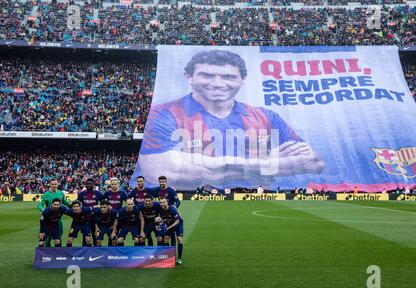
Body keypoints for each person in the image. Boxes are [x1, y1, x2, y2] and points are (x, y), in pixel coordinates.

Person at [135, 49, 324, 189]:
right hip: (197, 200)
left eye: (228, 76)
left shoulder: (266, 116)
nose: (218, 83)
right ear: (188, 77)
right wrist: (266, 163)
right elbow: (157, 170)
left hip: (254, 200)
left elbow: (313, 162)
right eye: (207, 75)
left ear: (243, 79)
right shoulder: (164, 114)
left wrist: (203, 165)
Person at [38, 179, 72, 247]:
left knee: (59, 235)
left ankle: (58, 252)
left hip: (58, 219)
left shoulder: (60, 193)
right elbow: (40, 205)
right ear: (50, 185)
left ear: (57, 184)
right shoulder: (46, 194)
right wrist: (43, 210)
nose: (54, 186)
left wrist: (72, 205)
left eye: (55, 184)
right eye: (52, 184)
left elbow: (64, 201)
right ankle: (48, 252)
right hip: (49, 219)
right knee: (48, 236)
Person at [78, 178, 103, 246]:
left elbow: (103, 204)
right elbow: (78, 205)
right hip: (85, 218)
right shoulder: (82, 194)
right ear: (85, 184)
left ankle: (97, 252)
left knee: (96, 236)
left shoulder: (98, 193)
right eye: (87, 184)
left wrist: (97, 210)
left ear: (93, 185)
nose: (89, 185)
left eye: (90, 184)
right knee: (86, 236)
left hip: (95, 218)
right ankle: (85, 253)